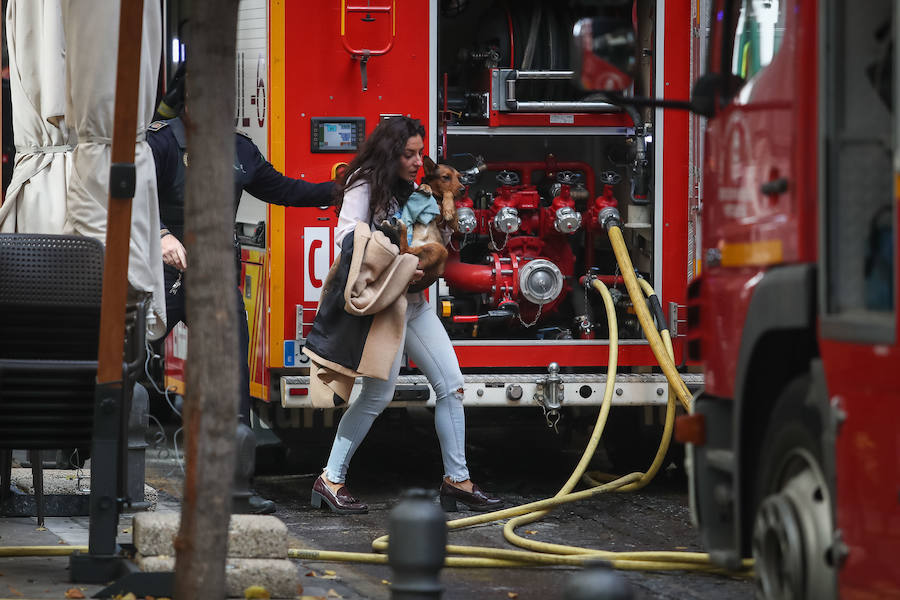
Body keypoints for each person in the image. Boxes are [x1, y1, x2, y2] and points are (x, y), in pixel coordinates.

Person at [148, 82, 334, 515]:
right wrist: (160, 235)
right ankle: (101, 469)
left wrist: (337, 190)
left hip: (215, 278)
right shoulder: (160, 142)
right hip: (163, 274)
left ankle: (236, 489)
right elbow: (132, 198)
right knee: (125, 362)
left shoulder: (240, 150)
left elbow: (284, 190)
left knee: (234, 383)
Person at [309, 116, 501, 514]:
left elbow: (424, 232)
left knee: (452, 385)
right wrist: (394, 253)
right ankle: (330, 479)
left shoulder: (414, 188)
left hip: (414, 304)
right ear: (390, 152)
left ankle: (457, 480)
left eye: (419, 154)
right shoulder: (365, 181)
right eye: (409, 154)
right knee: (376, 395)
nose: (417, 162)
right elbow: (347, 237)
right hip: (385, 305)